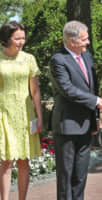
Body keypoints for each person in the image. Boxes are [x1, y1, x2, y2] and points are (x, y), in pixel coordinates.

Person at [49, 20, 102, 200]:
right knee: (66, 176)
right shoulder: (58, 60)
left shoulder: (87, 57)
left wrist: (96, 117)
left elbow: (92, 88)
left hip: (86, 126)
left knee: (81, 176)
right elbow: (68, 90)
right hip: (67, 126)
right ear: (72, 41)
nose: (88, 42)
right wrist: (97, 101)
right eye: (84, 39)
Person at [0, 21, 43, 200]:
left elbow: (35, 90)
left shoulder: (29, 59)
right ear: (7, 38)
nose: (21, 42)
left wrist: (40, 117)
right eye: (17, 38)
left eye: (23, 38)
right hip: (3, 113)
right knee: (6, 161)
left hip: (25, 113)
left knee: (24, 160)